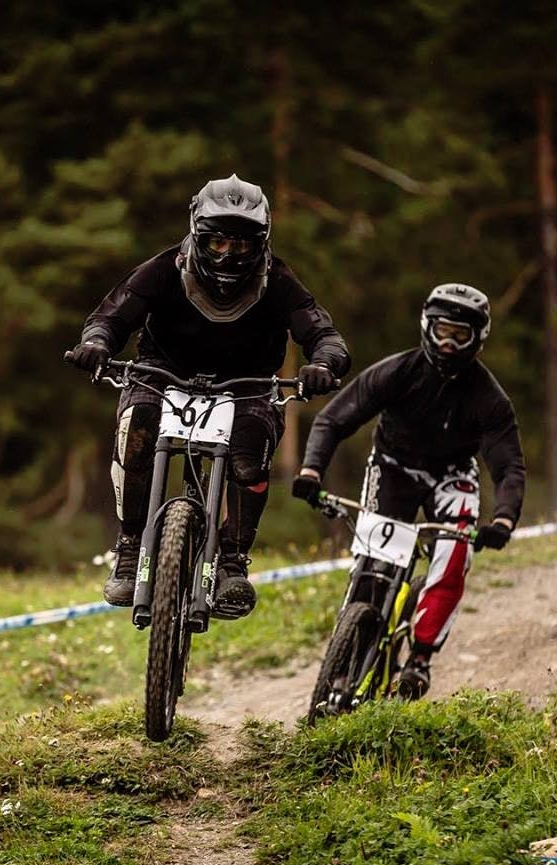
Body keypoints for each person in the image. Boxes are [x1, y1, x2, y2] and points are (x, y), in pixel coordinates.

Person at [69, 174, 350, 617]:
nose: (228, 254)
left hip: (248, 382)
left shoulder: (278, 281)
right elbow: (109, 317)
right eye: (217, 243)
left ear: (262, 241)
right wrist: (98, 344)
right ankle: (128, 548)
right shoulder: (163, 269)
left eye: (241, 245)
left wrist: (323, 365)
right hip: (160, 372)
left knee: (250, 451)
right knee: (135, 430)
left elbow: (324, 335)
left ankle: (233, 560)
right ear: (197, 233)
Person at [292, 283, 525, 699]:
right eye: (442, 332)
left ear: (478, 340)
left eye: (460, 336)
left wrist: (504, 518)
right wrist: (311, 472)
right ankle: (347, 657)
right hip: (393, 466)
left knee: (455, 555)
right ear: (426, 328)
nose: (449, 345)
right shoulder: (397, 372)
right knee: (371, 565)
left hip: (452, 475)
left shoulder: (489, 398)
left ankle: (419, 658)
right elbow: (333, 420)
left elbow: (507, 465)